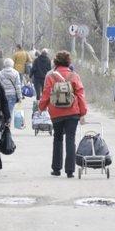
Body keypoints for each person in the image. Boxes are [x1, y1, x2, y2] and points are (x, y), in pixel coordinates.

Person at [38, 50, 88, 178]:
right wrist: (83, 113)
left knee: (58, 138)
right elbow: (80, 95)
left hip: (56, 112)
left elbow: (46, 93)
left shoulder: (51, 76)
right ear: (68, 62)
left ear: (55, 62)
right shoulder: (74, 76)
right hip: (73, 112)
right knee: (71, 140)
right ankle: (70, 171)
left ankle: (56, 169)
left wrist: (41, 107)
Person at [0, 58, 24, 124]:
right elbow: (18, 86)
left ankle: (3, 124)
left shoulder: (0, 73)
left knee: (3, 110)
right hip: (12, 95)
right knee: (10, 111)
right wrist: (20, 97)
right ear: (12, 64)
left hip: (3, 94)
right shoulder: (16, 73)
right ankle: (7, 125)